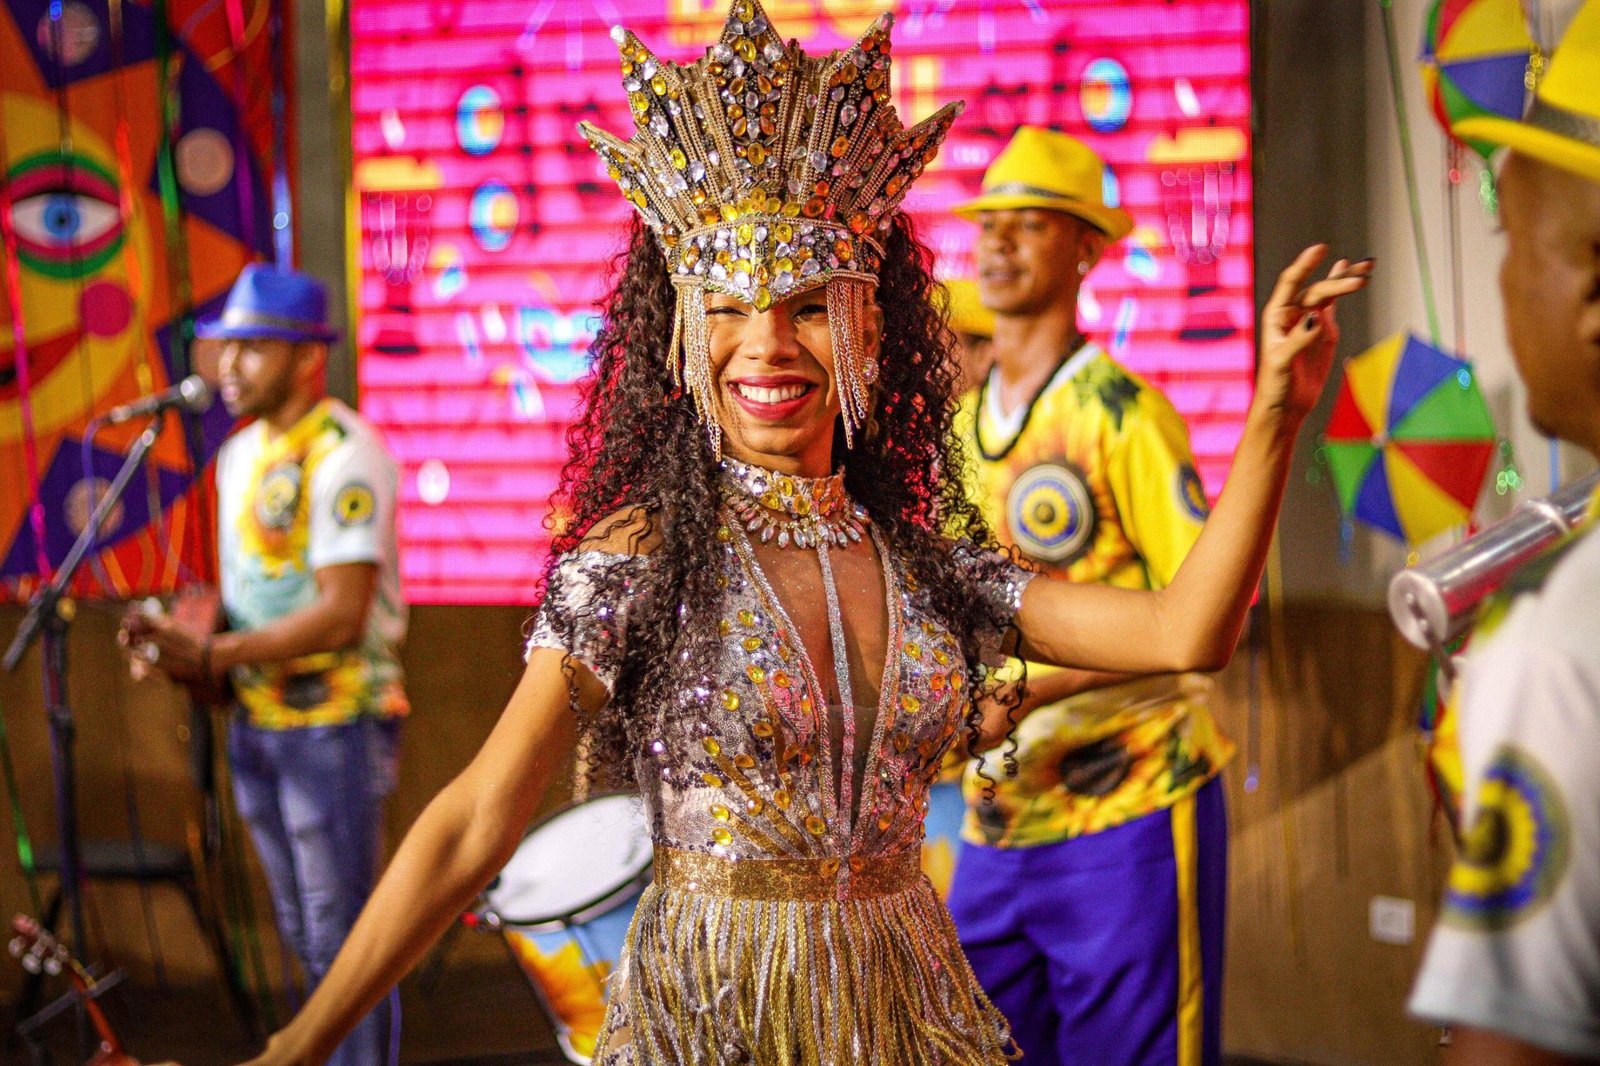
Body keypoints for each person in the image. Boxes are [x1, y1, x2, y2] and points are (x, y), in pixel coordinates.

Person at [210, 3, 1367, 1062]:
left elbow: (1186, 631)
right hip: (713, 1018)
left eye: (808, 305)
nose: (766, 344)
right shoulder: (638, 558)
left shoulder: (925, 564)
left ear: (870, 326)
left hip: (907, 1015)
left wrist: (1275, 411)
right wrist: (299, 1043)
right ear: (679, 335)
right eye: (727, 309)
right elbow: (473, 819)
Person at [945, 126, 1234, 1066]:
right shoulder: (953, 432)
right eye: (990, 223)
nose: (998, 242)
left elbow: (1206, 610)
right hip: (995, 821)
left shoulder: (1126, 415)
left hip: (1128, 809)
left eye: (1031, 224)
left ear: (1086, 250)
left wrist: (1036, 686)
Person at [124, 263, 407, 1066]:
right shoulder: (241, 454)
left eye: (253, 347)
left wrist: (215, 652)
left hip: (333, 726)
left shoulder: (346, 455)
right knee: (305, 936)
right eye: (227, 346)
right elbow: (255, 592)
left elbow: (342, 615)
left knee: (345, 941)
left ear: (308, 357)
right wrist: (180, 637)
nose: (228, 366)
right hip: (258, 722)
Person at [1407, 3, 1600, 1062]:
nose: (1502, 278)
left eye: (1511, 239)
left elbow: (1513, 1046)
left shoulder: (1560, 643)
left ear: (1593, 291)